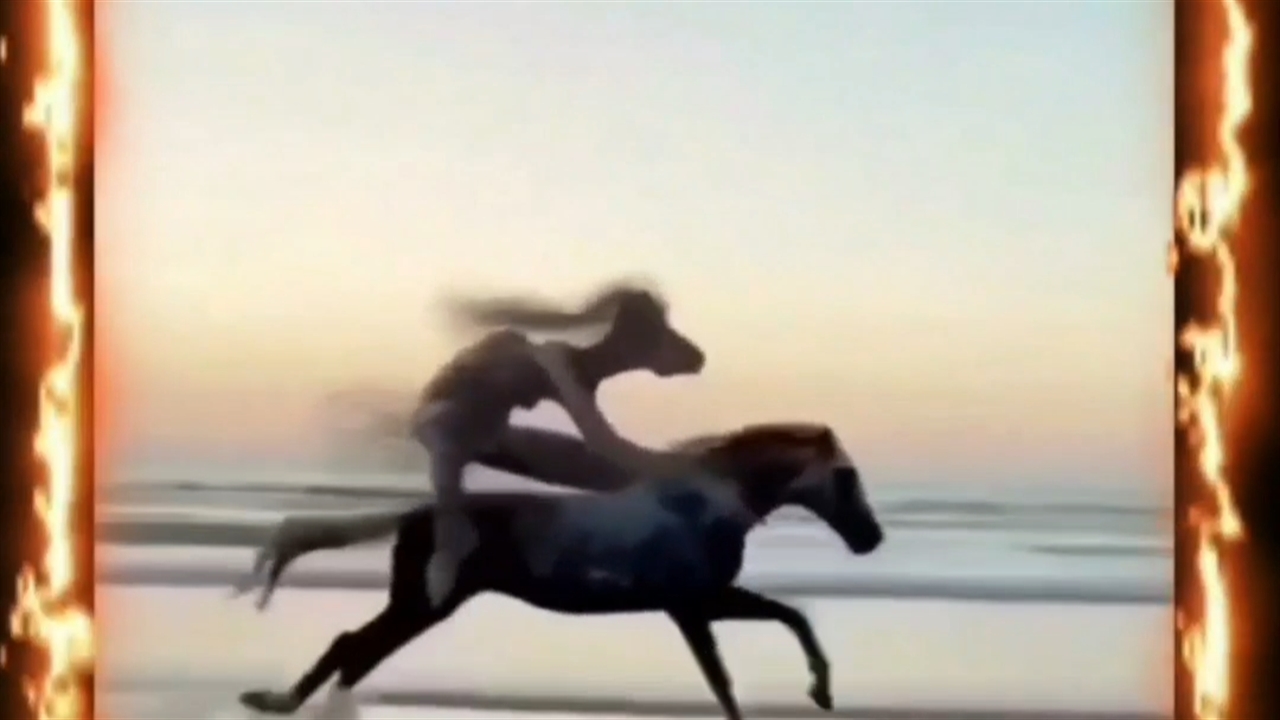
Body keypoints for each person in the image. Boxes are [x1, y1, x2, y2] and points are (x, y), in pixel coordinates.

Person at [239, 279, 709, 610]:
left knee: (612, 476)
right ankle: (310, 535)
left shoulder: (579, 368)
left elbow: (615, 444)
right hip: (446, 422)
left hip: (489, 432)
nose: (666, 361)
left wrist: (672, 467)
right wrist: (682, 467)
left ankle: (310, 533)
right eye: (658, 348)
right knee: (454, 527)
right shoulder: (559, 364)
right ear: (631, 346)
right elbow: (602, 440)